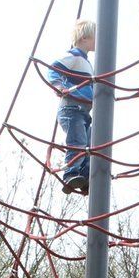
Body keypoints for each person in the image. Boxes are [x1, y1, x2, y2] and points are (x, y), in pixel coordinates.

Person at [44, 19, 97, 196]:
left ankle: (85, 177)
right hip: (71, 109)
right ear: (84, 38)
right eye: (95, 37)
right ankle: (70, 174)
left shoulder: (88, 63)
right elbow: (53, 69)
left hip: (83, 112)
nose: (98, 41)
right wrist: (59, 86)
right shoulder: (74, 56)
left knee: (90, 146)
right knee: (78, 142)